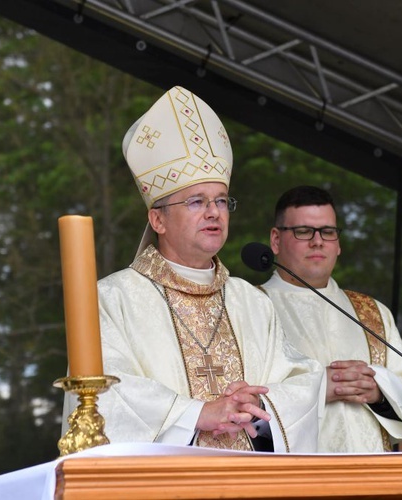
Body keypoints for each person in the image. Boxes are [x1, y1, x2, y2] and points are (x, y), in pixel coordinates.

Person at [63, 86, 328, 453]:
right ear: (157, 219)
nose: (214, 212)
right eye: (196, 201)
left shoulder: (251, 302)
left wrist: (261, 408)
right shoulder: (113, 298)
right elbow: (106, 392)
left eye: (221, 200)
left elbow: (302, 379)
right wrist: (195, 414)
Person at [260, 185, 402, 453]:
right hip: (296, 481)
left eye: (328, 232)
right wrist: (318, 389)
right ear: (275, 240)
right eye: (304, 231)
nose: (317, 241)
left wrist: (379, 390)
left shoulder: (370, 312)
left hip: (374, 480)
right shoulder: (253, 307)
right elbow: (241, 399)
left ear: (338, 244)